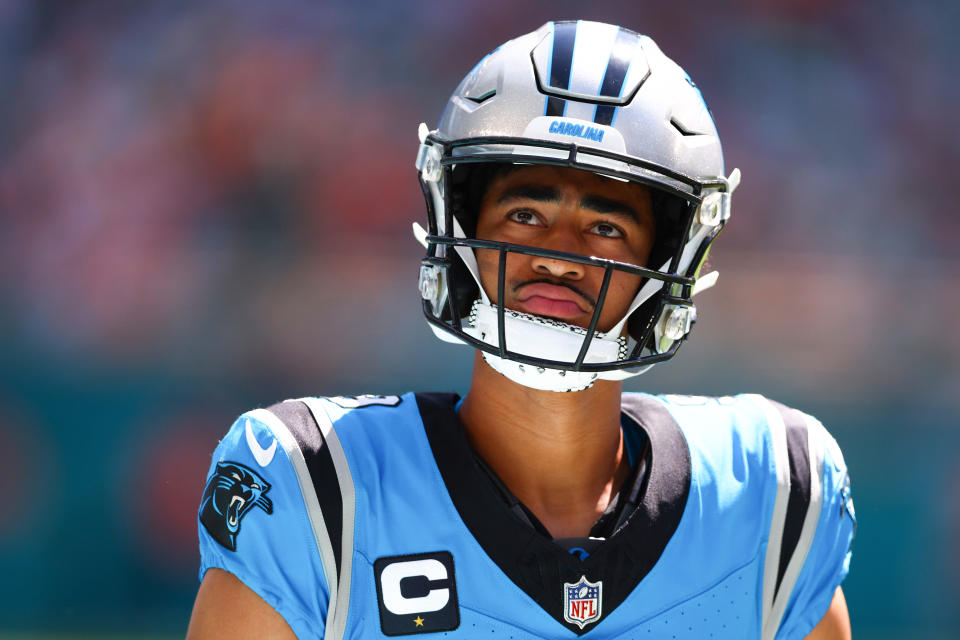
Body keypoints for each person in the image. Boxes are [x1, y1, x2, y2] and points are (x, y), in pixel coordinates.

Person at [187, 20, 855, 640]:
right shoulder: (318, 487)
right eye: (526, 213)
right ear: (463, 228)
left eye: (606, 226)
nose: (558, 253)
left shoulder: (772, 496)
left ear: (669, 260)